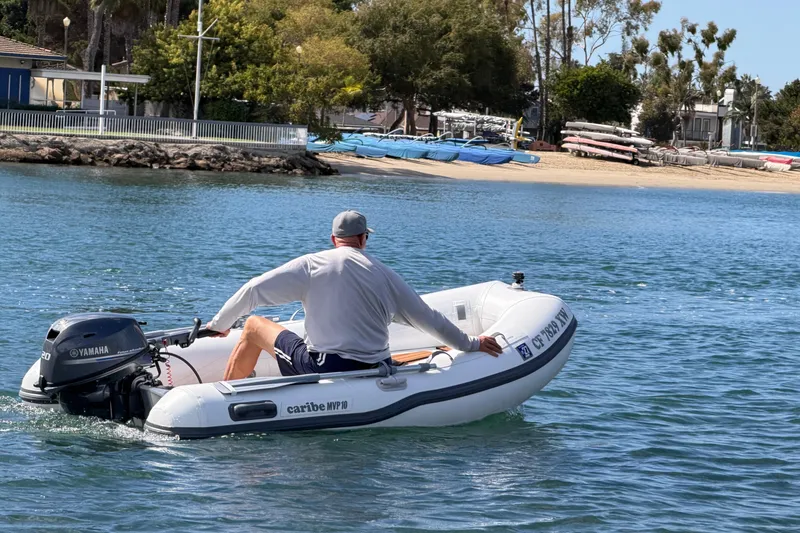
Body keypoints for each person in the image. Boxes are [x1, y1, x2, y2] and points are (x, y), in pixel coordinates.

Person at [206, 210, 502, 380]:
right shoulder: (387, 274)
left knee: (254, 325)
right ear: (364, 239)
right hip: (373, 367)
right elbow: (430, 320)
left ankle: (226, 394)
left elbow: (253, 289)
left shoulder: (311, 264)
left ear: (333, 239)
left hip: (325, 366)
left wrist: (219, 325)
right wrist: (472, 344)